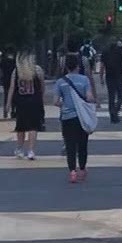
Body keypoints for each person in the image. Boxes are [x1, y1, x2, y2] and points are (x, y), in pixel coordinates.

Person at [53, 53, 96, 183]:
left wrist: (65, 105)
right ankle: (82, 169)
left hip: (67, 117)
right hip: (81, 117)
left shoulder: (60, 82)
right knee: (83, 144)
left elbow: (55, 101)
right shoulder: (84, 80)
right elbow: (89, 97)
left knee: (70, 145)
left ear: (66, 67)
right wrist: (92, 102)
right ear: (78, 66)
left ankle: (72, 171)